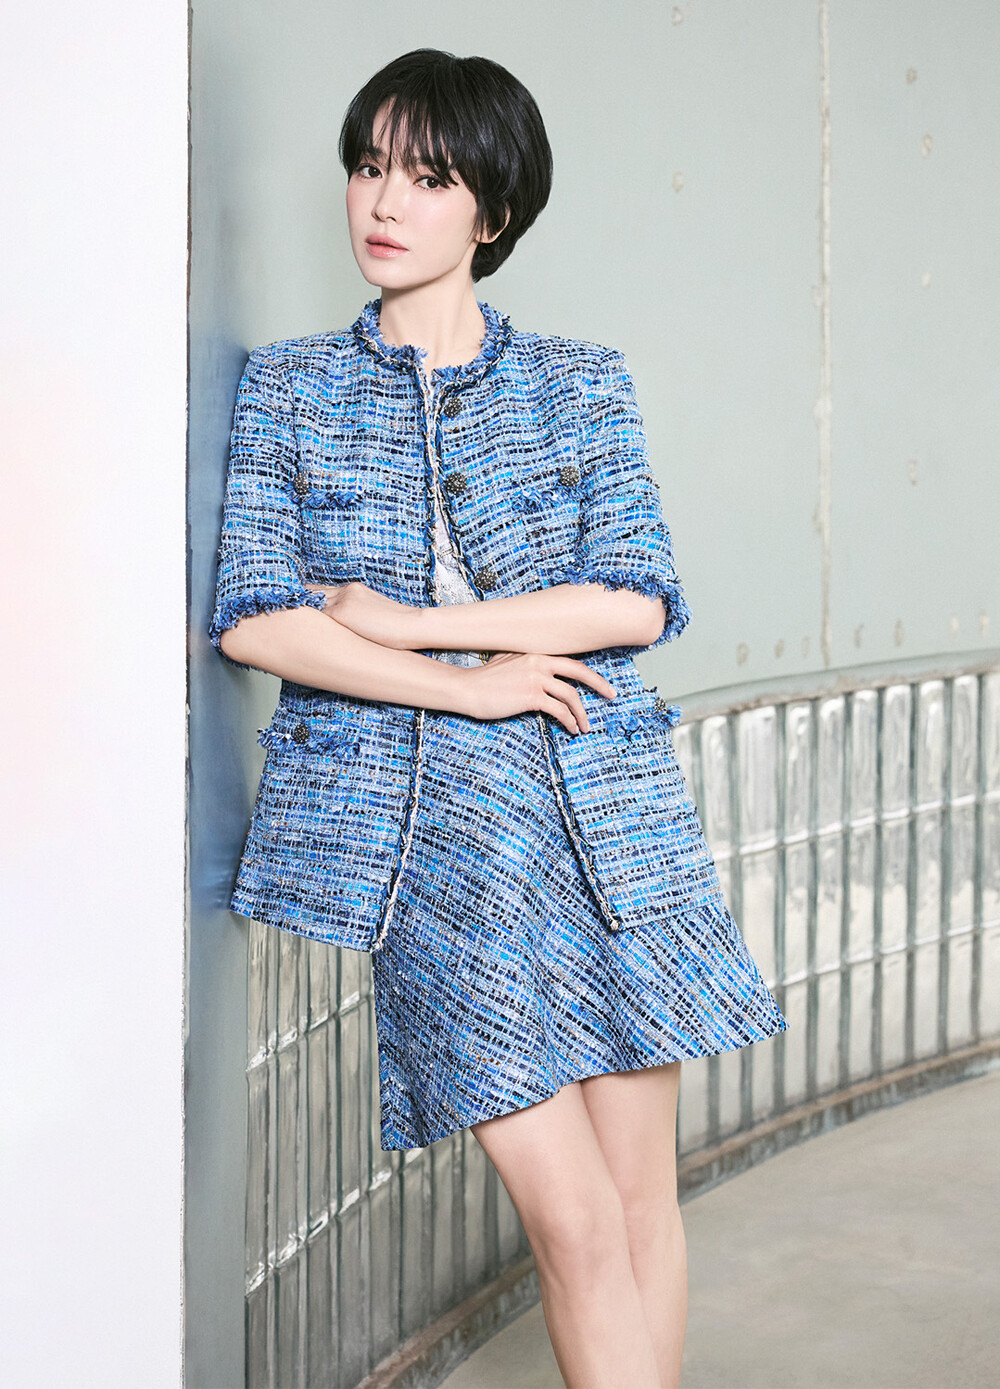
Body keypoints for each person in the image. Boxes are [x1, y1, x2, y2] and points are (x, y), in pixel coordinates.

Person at [210, 47, 787, 1389]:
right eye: (368, 167)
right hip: (435, 849)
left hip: (606, 824)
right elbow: (256, 618)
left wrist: (405, 622)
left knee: (639, 1205)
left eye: (427, 176)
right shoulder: (291, 387)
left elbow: (635, 599)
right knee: (573, 1221)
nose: (383, 202)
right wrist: (466, 681)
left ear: (495, 210)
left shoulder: (578, 382)